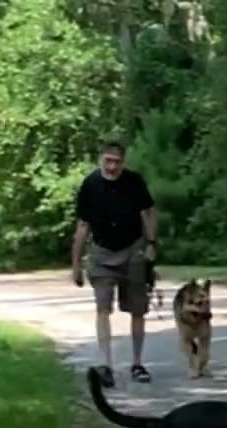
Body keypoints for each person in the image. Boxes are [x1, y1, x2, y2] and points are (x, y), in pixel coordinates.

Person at [71, 141, 158, 387]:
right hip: (101, 253)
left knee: (138, 310)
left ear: (124, 162)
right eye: (108, 160)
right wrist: (76, 264)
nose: (112, 166)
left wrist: (151, 243)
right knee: (102, 309)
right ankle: (106, 365)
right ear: (101, 160)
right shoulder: (90, 185)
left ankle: (137, 363)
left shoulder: (134, 182)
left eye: (117, 161)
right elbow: (82, 226)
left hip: (132, 250)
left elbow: (148, 212)